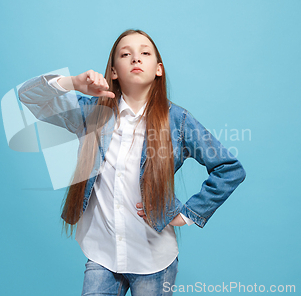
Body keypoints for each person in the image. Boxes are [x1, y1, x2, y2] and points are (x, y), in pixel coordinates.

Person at [17, 29, 246, 296]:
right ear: (113, 71)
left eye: (145, 53)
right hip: (102, 253)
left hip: (153, 259)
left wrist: (188, 214)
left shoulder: (179, 121)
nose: (136, 58)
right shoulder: (91, 112)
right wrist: (73, 83)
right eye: (126, 54)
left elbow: (229, 169)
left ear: (158, 69)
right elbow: (28, 97)